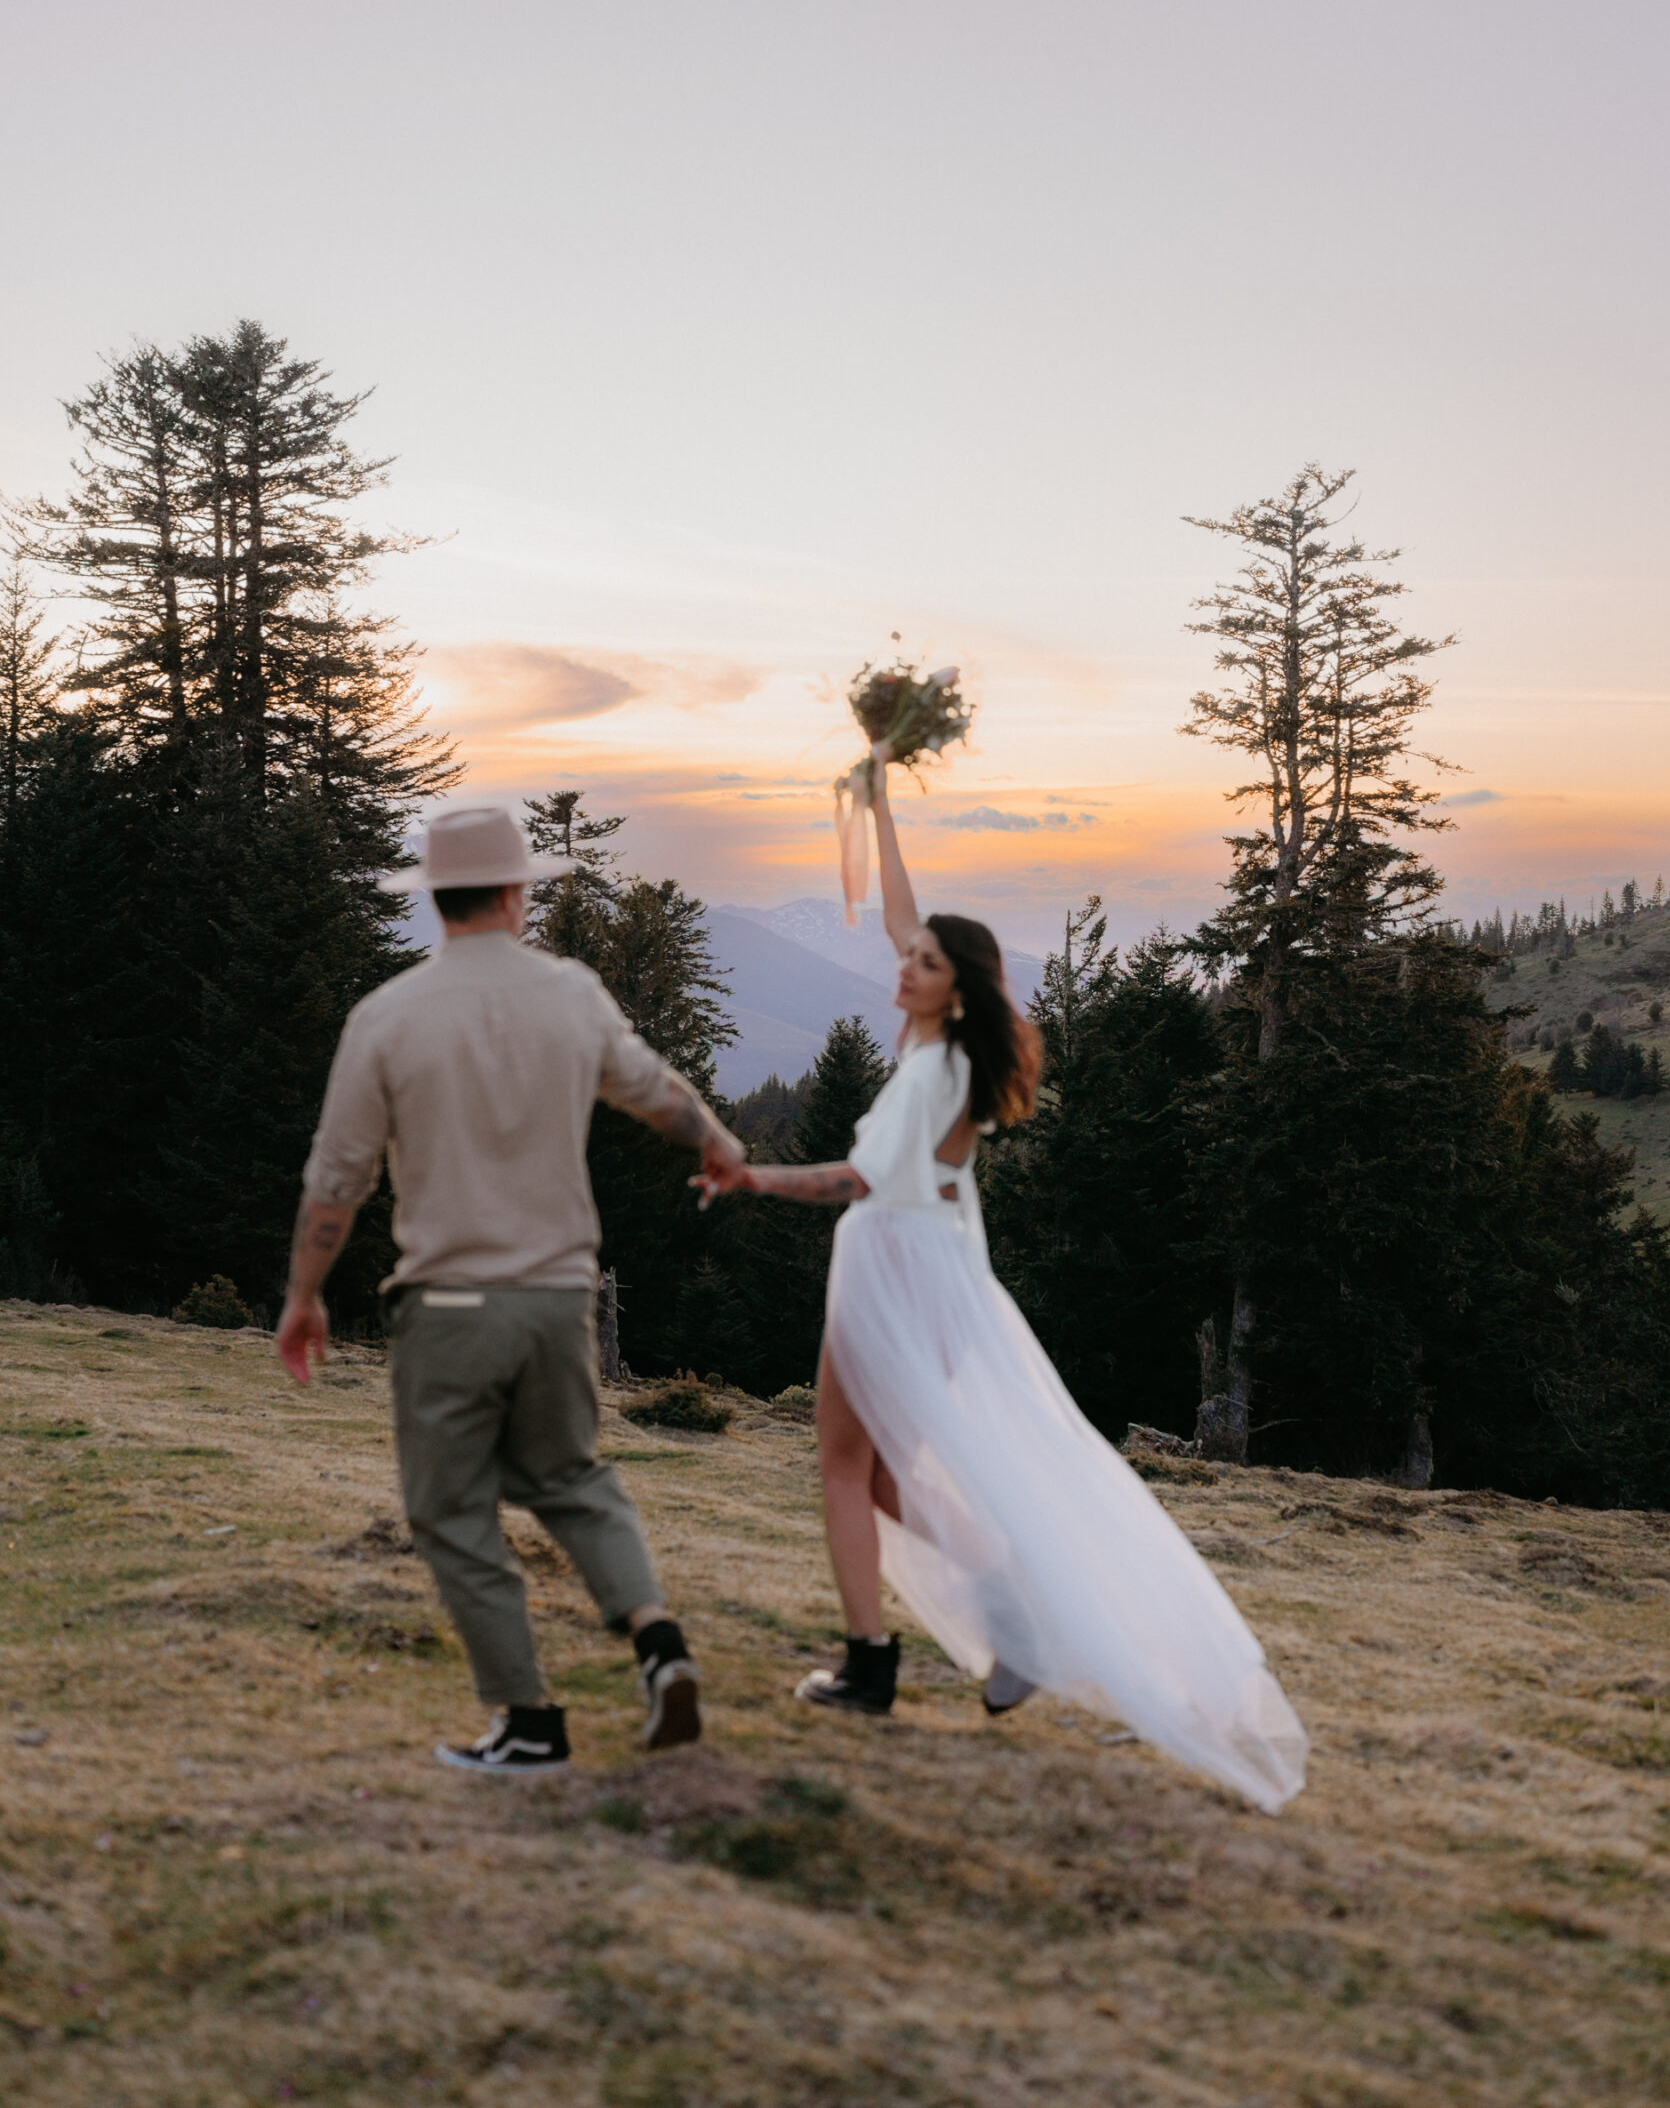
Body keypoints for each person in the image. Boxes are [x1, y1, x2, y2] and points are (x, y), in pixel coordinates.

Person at [695, 763, 1307, 1815]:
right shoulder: (945, 1041)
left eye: (923, 963)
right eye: (909, 955)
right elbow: (898, 914)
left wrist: (749, 1173)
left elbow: (855, 1179)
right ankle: (1015, 1613)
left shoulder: (936, 1067)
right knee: (886, 1480)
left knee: (842, 1465)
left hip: (890, 1260)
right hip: (934, 1269)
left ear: (955, 987)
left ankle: (867, 1666)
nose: (902, 964)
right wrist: (878, 800)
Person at [276, 804, 747, 1775]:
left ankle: (529, 1721)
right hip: (559, 1298)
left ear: (436, 898)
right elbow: (656, 1089)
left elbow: (337, 1179)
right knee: (572, 1477)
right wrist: (718, 1143)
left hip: (449, 1307)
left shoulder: (388, 1015)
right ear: (516, 891)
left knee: (452, 1510)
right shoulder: (570, 992)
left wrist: (304, 1294)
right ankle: (658, 1642)